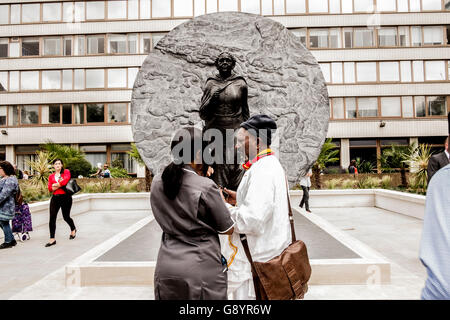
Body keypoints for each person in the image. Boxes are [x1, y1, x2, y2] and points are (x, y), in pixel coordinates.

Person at [150, 127, 235, 300]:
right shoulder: (205, 185)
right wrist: (222, 200)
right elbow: (227, 228)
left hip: (166, 265)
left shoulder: (157, 181)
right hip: (201, 267)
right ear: (197, 153)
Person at [221, 114, 291, 300]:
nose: (236, 146)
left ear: (257, 142)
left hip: (257, 267)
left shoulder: (263, 171)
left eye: (241, 141)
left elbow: (252, 221)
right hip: (265, 259)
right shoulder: (269, 165)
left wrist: (221, 207)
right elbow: (264, 207)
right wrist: (241, 199)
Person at [199, 52, 250, 190]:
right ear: (217, 64)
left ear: (233, 64)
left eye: (228, 60)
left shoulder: (240, 83)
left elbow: (245, 109)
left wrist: (248, 131)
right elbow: (203, 113)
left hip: (235, 126)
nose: (225, 63)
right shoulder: (210, 83)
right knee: (217, 162)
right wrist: (212, 100)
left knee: (236, 160)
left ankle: (235, 194)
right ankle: (217, 194)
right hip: (216, 127)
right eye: (221, 60)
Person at [45, 159, 77, 247]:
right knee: (52, 218)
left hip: (66, 198)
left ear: (62, 165)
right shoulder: (51, 176)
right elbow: (50, 188)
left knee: (66, 217)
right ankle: (52, 239)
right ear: (53, 166)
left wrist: (55, 185)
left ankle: (73, 228)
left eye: (59, 163)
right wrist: (59, 185)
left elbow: (65, 181)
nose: (58, 165)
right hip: (55, 198)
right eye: (56, 164)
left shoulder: (66, 172)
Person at [0, 161, 19, 249]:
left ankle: (8, 241)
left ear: (5, 169)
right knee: (3, 223)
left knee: (4, 223)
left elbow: (4, 194)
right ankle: (11, 240)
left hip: (6, 206)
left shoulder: (11, 179)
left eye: (0, 168)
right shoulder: (5, 178)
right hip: (3, 206)